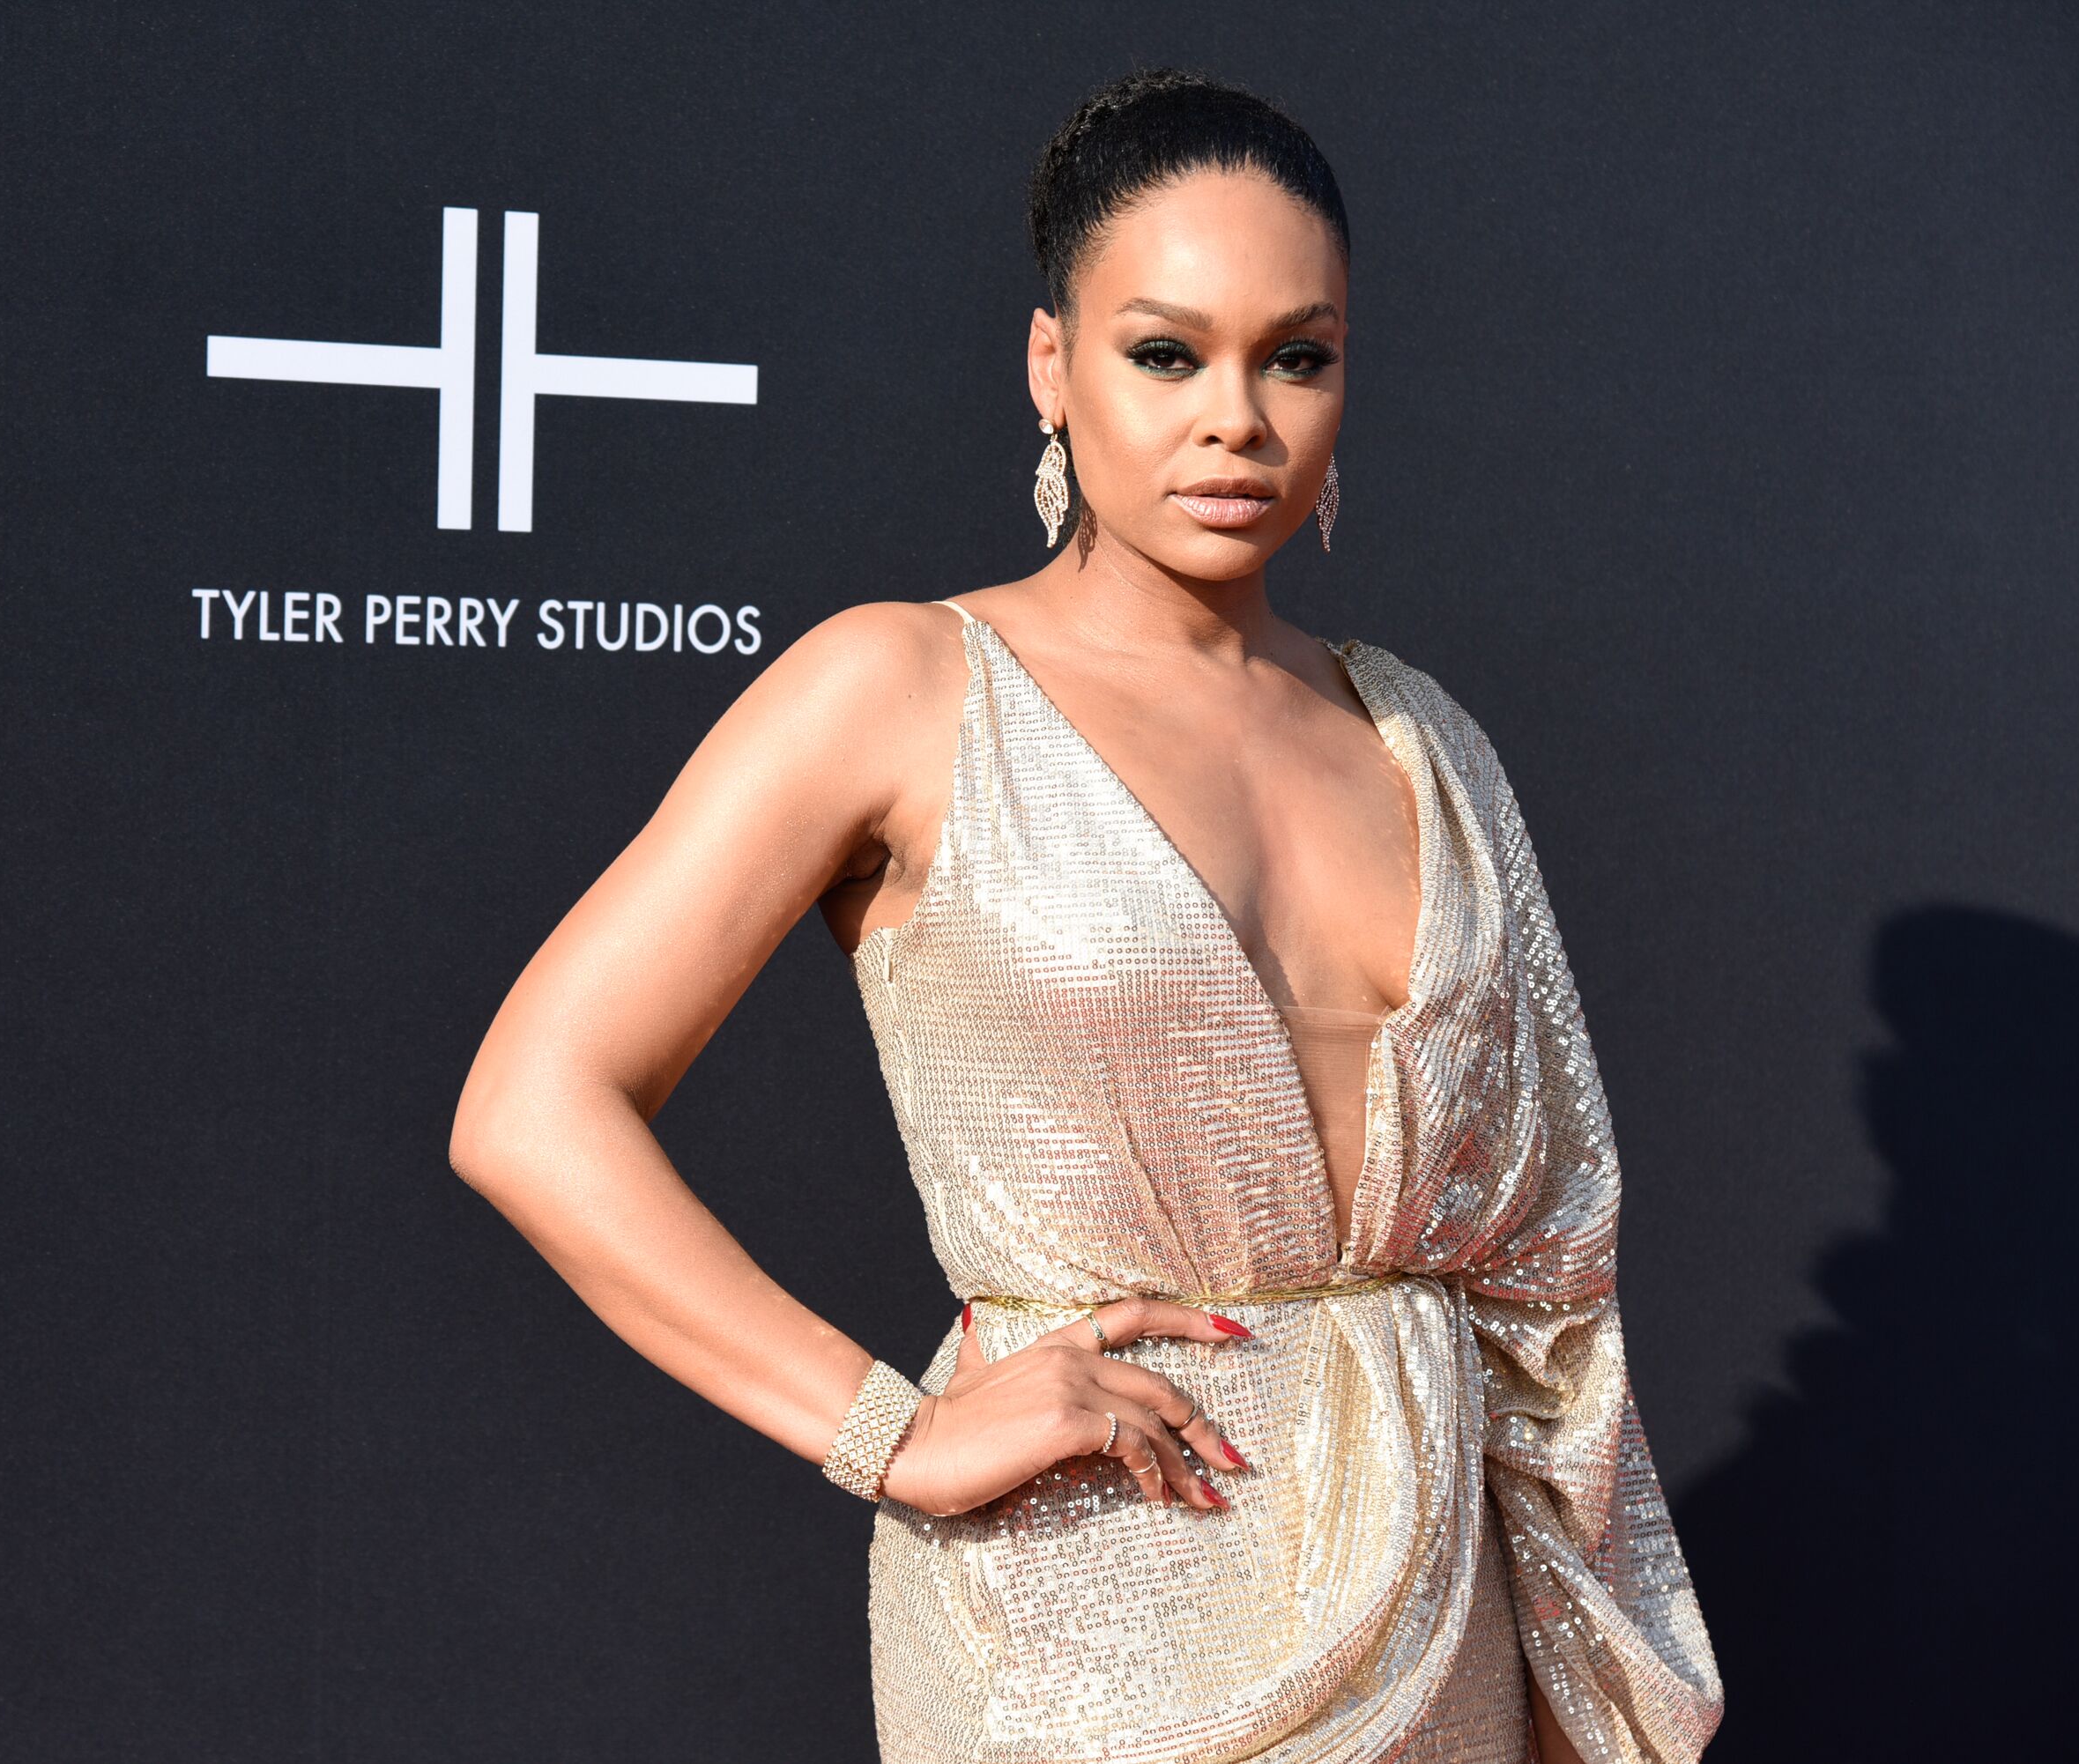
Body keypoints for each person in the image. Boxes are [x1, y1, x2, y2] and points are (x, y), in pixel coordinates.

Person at [451, 68, 1721, 1764]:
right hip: (1083, 1629)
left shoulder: (1430, 742)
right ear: (1051, 364)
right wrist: (886, 1435)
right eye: (1166, 352)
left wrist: (1579, 1691)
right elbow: (531, 1108)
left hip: (1441, 1637)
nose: (1238, 421)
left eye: (1299, 355)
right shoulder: (899, 688)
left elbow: (1549, 1280)